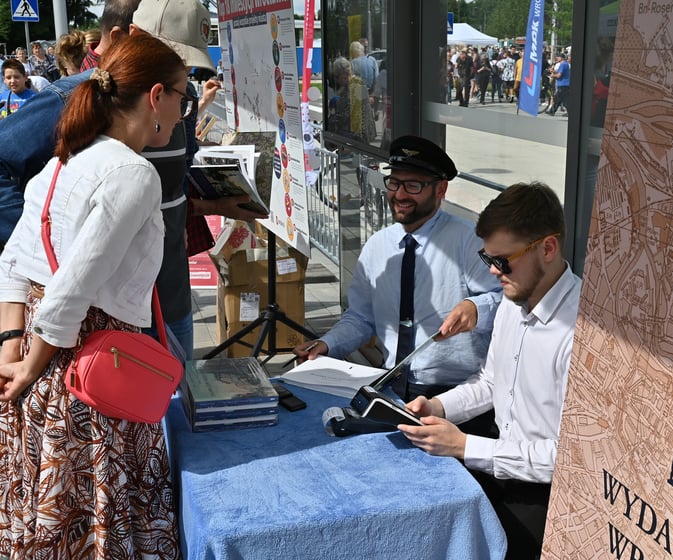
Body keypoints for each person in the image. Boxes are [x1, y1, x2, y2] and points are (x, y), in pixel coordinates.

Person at [0, 32, 187, 558]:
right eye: (182, 97)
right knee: (98, 508)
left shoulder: (62, 162)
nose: (182, 113)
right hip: (92, 369)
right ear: (156, 96)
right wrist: (30, 365)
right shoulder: (133, 173)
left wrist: (11, 351)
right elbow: (71, 288)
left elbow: (13, 263)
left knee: (50, 507)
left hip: (38, 359)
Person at [0, 0, 257, 360]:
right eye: (173, 55)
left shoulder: (177, 96)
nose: (182, 72)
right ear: (128, 36)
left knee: (174, 389)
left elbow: (169, 190)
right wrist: (53, 248)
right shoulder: (75, 98)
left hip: (166, 299)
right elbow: (35, 243)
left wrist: (213, 205)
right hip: (94, 317)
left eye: (188, 64)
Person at [399, 182, 582, 559]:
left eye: (504, 260)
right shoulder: (514, 301)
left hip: (552, 499)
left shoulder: (580, 333)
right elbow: (490, 382)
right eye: (488, 259)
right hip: (502, 468)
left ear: (548, 248)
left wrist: (465, 446)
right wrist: (436, 407)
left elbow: (569, 457)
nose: (495, 271)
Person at [294, 135, 502, 408]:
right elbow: (361, 316)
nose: (400, 195)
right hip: (391, 385)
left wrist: (476, 307)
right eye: (394, 183)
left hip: (457, 393)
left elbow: (505, 302)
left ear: (440, 189)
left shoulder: (470, 241)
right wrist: (327, 344)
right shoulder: (377, 246)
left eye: (413, 186)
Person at [327, 56, 376, 144]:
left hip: (357, 137)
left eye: (337, 76)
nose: (336, 80)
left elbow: (345, 115)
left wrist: (332, 117)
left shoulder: (354, 87)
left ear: (345, 75)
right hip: (359, 135)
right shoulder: (355, 83)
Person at [549, 52, 570, 117]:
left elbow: (559, 75)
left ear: (561, 58)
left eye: (558, 57)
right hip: (564, 84)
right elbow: (560, 72)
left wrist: (552, 75)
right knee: (559, 99)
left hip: (563, 84)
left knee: (564, 100)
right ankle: (552, 111)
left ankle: (552, 111)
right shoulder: (565, 64)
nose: (557, 58)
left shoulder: (563, 64)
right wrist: (553, 71)